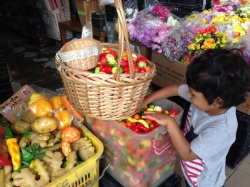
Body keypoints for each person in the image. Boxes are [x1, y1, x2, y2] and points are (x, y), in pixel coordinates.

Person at [140, 49, 250, 187]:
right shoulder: (207, 97)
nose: (188, 95)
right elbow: (175, 89)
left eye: (193, 94)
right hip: (191, 173)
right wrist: (146, 100)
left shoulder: (221, 131)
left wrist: (170, 122)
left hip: (204, 182)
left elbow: (187, 154)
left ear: (218, 101)